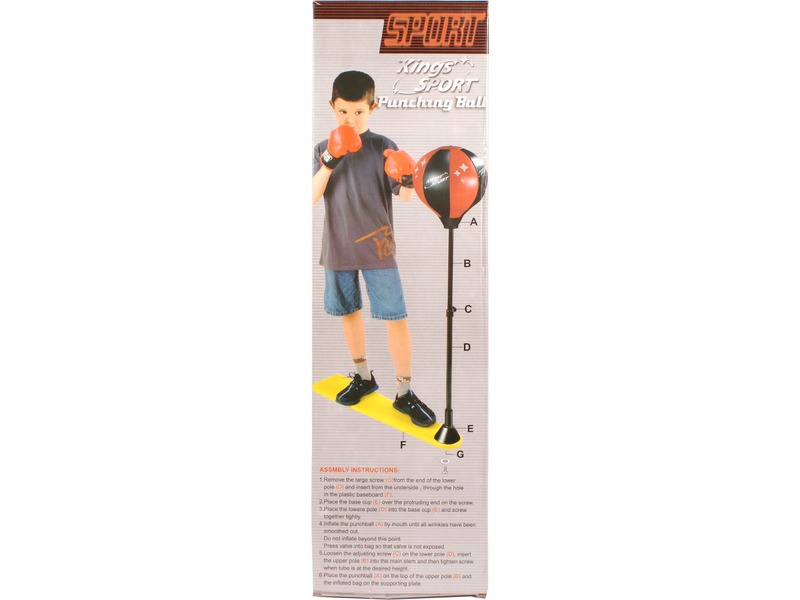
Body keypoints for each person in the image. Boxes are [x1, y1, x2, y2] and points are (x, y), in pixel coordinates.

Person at [312, 70, 436, 428]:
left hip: (378, 247)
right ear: (331, 107)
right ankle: (364, 376)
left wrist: (408, 176)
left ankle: (404, 392)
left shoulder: (382, 145)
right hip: (338, 245)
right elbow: (311, 195)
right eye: (342, 112)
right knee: (349, 311)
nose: (350, 120)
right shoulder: (321, 149)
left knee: (395, 317)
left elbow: (406, 196)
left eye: (358, 112)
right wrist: (330, 160)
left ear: (373, 108)